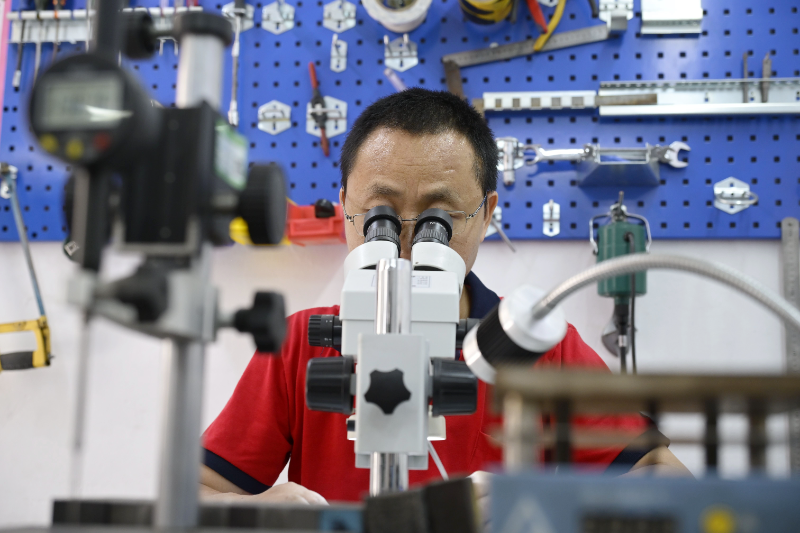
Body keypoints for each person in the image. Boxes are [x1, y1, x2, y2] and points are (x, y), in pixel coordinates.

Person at [199, 88, 691, 505]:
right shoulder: (298, 345)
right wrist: (262, 513)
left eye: (440, 219)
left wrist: (540, 506)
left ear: (486, 214)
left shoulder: (538, 345)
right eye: (380, 215)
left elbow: (669, 481)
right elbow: (198, 492)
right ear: (345, 203)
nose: (408, 243)